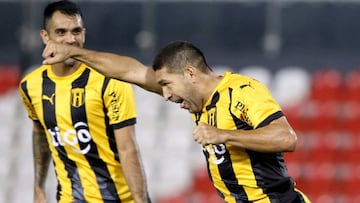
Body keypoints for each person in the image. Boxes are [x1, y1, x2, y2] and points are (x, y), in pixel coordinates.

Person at [42, 39, 311, 202]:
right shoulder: (199, 101)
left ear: (190, 73)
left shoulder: (241, 91)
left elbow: (286, 138)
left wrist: (224, 134)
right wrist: (76, 53)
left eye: (167, 85)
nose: (166, 95)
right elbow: (131, 71)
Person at [19, 1, 150, 203]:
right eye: (61, 32)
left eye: (76, 31)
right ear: (46, 37)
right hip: (70, 197)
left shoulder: (111, 80)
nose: (70, 39)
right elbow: (40, 132)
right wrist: (38, 187)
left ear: (84, 33)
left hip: (118, 198)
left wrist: (142, 200)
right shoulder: (30, 85)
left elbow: (128, 149)